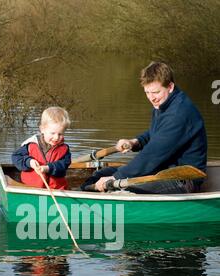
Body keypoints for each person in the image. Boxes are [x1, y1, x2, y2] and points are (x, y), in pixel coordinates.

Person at [82, 62, 207, 194]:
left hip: (182, 180)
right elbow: (157, 134)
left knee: (121, 187)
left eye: (156, 92)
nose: (151, 98)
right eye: (147, 92)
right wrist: (135, 142)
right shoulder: (164, 103)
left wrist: (115, 178)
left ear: (170, 87)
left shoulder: (180, 113)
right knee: (99, 175)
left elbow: (152, 155)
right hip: (161, 171)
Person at [12, 107, 71, 189]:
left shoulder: (64, 149)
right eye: (52, 133)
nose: (56, 137)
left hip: (56, 190)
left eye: (60, 134)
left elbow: (63, 165)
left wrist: (48, 168)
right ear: (42, 129)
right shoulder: (31, 144)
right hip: (30, 188)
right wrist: (30, 162)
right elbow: (16, 157)